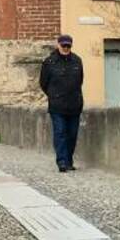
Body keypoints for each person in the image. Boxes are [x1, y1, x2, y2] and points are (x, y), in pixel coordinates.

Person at [39, 34, 84, 172]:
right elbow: (43, 83)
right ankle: (62, 162)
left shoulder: (77, 61)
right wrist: (53, 95)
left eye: (68, 46)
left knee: (72, 134)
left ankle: (69, 161)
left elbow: (80, 80)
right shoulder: (49, 62)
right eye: (63, 45)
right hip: (57, 105)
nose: (65, 48)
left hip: (74, 104)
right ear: (58, 45)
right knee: (60, 133)